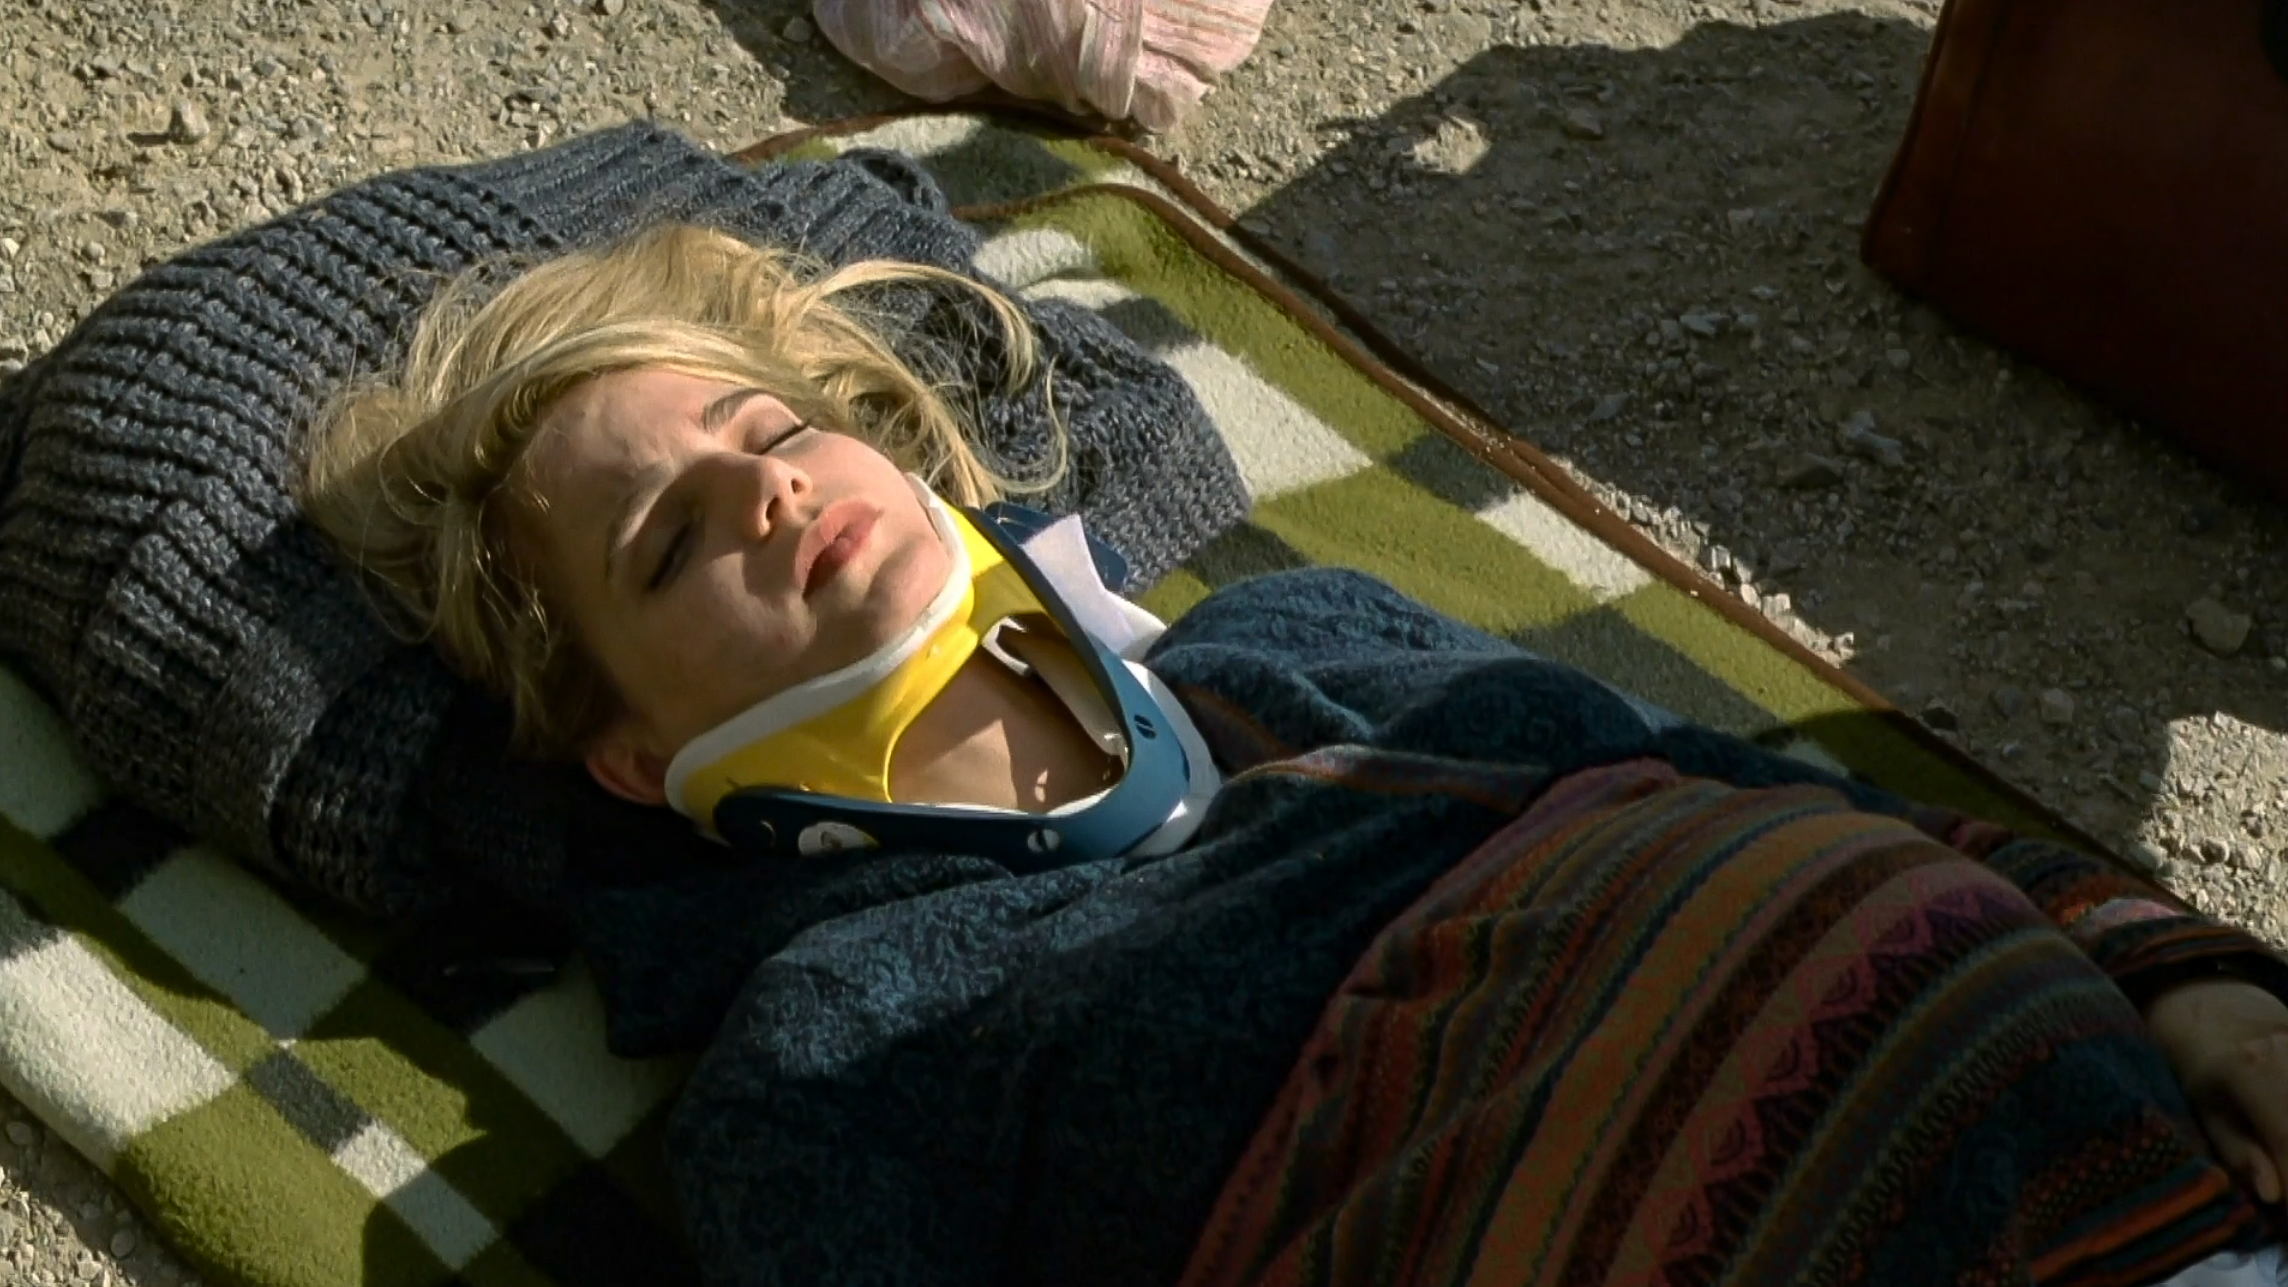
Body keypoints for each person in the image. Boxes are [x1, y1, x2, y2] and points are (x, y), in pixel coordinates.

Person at [294, 206, 2288, 1287]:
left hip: (2152, 1157)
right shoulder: (824, 1060)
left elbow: (1794, 797)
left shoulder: (1304, 629)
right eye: (666, 541)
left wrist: (2178, 973)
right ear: (630, 753)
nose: (767, 489)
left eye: (772, 429)